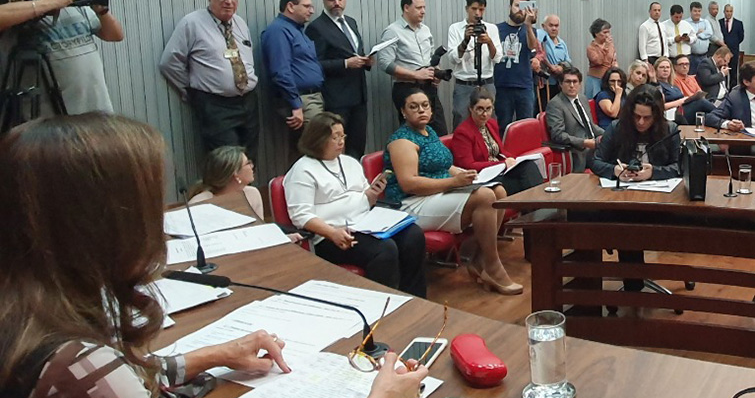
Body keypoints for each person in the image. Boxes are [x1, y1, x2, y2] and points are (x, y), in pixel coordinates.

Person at [0, 113, 429, 398]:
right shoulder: (77, 371)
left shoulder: (23, 319)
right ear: (108, 224)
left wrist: (211, 356)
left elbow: (123, 378)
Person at [385, 88, 520, 294]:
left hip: (437, 193)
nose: (421, 110)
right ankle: (492, 266)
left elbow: (444, 166)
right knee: (485, 197)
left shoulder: (429, 132)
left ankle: (480, 258)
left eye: (425, 105)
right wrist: (454, 182)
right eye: (414, 107)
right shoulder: (402, 141)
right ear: (403, 112)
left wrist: (466, 175)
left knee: (498, 191)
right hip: (412, 203)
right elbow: (409, 184)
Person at [284, 113, 428, 295]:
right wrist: (332, 233)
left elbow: (365, 198)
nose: (341, 141)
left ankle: (413, 297)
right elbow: (300, 216)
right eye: (335, 137)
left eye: (342, 136)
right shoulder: (303, 170)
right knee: (384, 250)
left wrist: (372, 194)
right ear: (317, 139)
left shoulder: (349, 162)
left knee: (413, 235)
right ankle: (381, 302)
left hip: (364, 223)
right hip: (331, 235)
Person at [159, 0, 260, 161]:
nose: (228, 1)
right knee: (228, 162)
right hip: (216, 105)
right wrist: (191, 90)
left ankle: (248, 182)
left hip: (248, 102)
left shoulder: (240, 23)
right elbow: (170, 62)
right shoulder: (192, 23)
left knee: (250, 160)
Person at [591, 85, 681, 293]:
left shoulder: (670, 130)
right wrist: (614, 170)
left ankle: (634, 285)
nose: (641, 122)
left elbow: (680, 167)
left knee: (631, 226)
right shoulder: (617, 127)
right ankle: (632, 286)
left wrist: (654, 172)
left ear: (656, 116)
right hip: (622, 200)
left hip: (659, 203)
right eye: (636, 116)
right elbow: (596, 161)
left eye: (647, 118)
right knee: (623, 222)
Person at [9, 0, 123, 115]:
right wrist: (47, 4)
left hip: (95, 105)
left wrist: (103, 11)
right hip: (51, 113)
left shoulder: (77, 6)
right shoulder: (21, 11)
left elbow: (114, 35)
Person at [307, 0, 371, 158]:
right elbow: (315, 64)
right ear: (323, 0)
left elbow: (355, 52)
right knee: (336, 146)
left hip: (359, 94)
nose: (336, 3)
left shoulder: (351, 22)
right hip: (336, 97)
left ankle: (355, 173)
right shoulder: (316, 27)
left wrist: (366, 61)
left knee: (357, 143)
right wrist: (345, 64)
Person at [450, 87, 545, 196]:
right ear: (471, 109)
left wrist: (515, 160)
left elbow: (501, 152)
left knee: (528, 165)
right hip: (482, 176)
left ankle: (539, 202)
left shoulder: (491, 124)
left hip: (499, 171)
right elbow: (468, 165)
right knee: (523, 182)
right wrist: (502, 164)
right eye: (480, 109)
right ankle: (539, 203)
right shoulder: (463, 132)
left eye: (488, 109)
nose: (485, 114)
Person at [379, 0, 445, 134]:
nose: (423, 11)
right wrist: (416, 74)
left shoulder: (425, 30)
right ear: (406, 8)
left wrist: (436, 72)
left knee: (440, 130)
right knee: (414, 132)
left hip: (429, 88)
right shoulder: (392, 31)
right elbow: (385, 63)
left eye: (424, 7)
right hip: (407, 87)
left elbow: (431, 57)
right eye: (419, 8)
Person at [261, 0, 321, 135]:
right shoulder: (278, 31)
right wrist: (296, 105)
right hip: (301, 100)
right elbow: (280, 71)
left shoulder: (297, 30)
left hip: (311, 97)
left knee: (310, 143)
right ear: (290, 7)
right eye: (306, 6)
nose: (311, 11)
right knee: (316, 143)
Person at [447, 0, 502, 129]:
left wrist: (489, 42)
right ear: (467, 8)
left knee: (489, 121)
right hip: (464, 84)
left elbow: (497, 58)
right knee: (461, 118)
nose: (477, 13)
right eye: (474, 9)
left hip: (486, 82)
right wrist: (465, 40)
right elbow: (453, 58)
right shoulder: (455, 28)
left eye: (481, 9)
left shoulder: (491, 28)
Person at [493, 0, 539, 130]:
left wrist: (528, 25)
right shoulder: (496, 29)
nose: (520, 10)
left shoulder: (531, 30)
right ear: (510, 7)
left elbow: (532, 46)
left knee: (526, 127)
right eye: (517, 5)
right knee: (503, 125)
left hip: (524, 86)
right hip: (502, 85)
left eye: (523, 7)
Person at [546, 67, 604, 172]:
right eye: (568, 82)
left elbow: (590, 125)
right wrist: (584, 142)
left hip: (594, 147)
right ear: (560, 84)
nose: (572, 85)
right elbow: (558, 135)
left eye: (575, 82)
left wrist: (608, 134)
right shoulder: (555, 104)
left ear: (580, 84)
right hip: (577, 152)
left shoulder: (582, 98)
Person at [704, 62, 755, 131]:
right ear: (746, 82)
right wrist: (728, 124)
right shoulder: (735, 98)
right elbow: (710, 118)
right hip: (746, 141)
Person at [189, 145, 265, 219]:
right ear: (235, 173)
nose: (252, 166)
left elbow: (261, 226)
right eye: (247, 163)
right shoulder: (199, 203)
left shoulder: (252, 194)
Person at [668, 55, 718, 124]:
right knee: (702, 102)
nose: (685, 67)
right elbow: (681, 97)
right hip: (683, 108)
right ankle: (722, 116)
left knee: (710, 106)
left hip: (696, 105)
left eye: (687, 64)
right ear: (675, 67)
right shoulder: (674, 79)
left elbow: (700, 92)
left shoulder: (691, 78)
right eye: (681, 64)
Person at [536, 14, 572, 104]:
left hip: (560, 82)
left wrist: (561, 67)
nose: (554, 28)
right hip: (545, 83)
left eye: (556, 26)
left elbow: (568, 61)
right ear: (543, 26)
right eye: (551, 25)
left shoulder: (562, 43)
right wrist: (550, 66)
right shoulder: (542, 34)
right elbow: (538, 47)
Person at [586, 18, 617, 101]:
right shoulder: (591, 48)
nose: (607, 35)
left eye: (608, 32)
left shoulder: (611, 45)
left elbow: (614, 59)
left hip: (608, 79)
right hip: (596, 79)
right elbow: (598, 61)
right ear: (596, 33)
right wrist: (605, 47)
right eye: (605, 32)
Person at [719, 4, 745, 85]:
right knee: (723, 71)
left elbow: (741, 37)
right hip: (722, 52)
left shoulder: (738, 23)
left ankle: (733, 89)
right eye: (727, 11)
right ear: (724, 12)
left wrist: (733, 43)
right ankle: (723, 89)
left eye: (730, 11)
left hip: (734, 51)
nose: (729, 13)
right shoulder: (719, 23)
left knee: (733, 72)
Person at [686, 1, 714, 71]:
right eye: (695, 11)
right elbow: (687, 37)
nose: (697, 13)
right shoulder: (686, 23)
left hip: (704, 56)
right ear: (690, 11)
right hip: (691, 57)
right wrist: (697, 33)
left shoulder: (705, 22)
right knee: (691, 75)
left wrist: (697, 35)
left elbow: (709, 33)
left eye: (699, 11)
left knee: (704, 75)